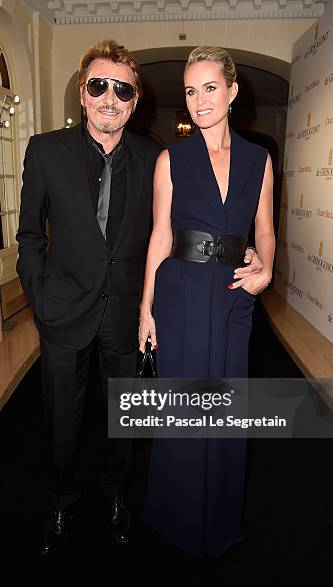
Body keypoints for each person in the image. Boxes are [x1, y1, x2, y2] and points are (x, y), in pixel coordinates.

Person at [17, 39, 263, 556]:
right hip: (64, 312)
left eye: (122, 89)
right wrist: (40, 298)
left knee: (124, 417)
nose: (110, 97)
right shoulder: (45, 151)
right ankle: (60, 501)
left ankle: (114, 496)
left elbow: (167, 234)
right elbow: (29, 237)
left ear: (134, 100)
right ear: (82, 94)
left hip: (129, 313)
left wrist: (251, 260)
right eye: (99, 86)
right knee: (62, 417)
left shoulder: (158, 156)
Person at [139, 46, 275, 558]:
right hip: (181, 294)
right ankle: (174, 516)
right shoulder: (170, 159)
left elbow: (265, 231)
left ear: (233, 91)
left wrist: (267, 269)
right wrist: (146, 310)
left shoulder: (259, 161)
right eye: (191, 91)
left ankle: (218, 520)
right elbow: (158, 237)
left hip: (235, 295)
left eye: (210, 88)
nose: (199, 100)